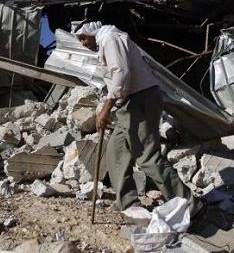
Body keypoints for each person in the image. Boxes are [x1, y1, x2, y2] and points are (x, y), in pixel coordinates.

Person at [74, 21, 204, 217]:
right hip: (128, 104)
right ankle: (128, 204)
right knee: (116, 152)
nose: (83, 43)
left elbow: (121, 72)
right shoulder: (106, 41)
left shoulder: (109, 38)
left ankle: (190, 205)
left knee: (147, 157)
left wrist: (106, 109)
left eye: (83, 38)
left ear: (92, 32)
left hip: (140, 99)